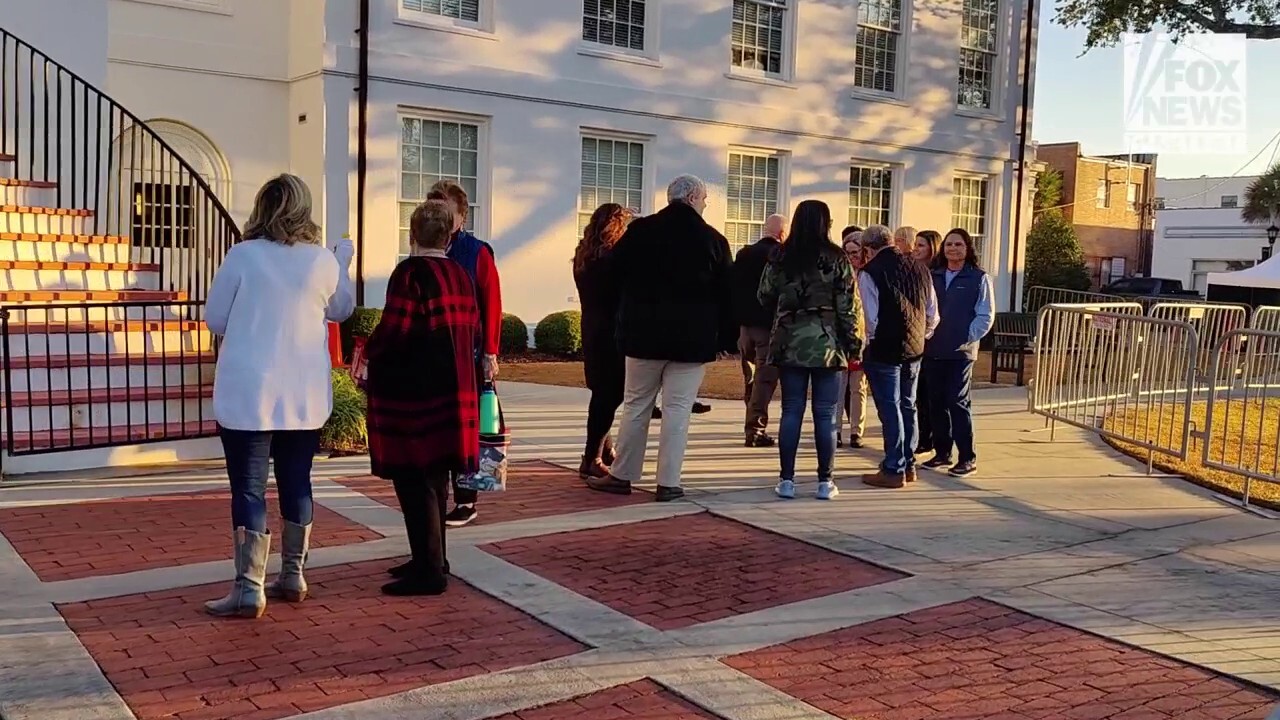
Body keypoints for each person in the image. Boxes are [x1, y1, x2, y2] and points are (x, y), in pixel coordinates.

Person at [203, 174, 355, 618]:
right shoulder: (320, 261)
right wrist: (342, 264)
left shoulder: (243, 255)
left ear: (262, 208)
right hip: (303, 392)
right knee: (297, 480)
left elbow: (215, 319)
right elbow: (341, 309)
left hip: (250, 389)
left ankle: (249, 587)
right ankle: (293, 573)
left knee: (249, 491)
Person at [585, 174, 736, 502]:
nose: (706, 204)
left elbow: (613, 277)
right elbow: (728, 294)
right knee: (678, 410)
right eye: (705, 198)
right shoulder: (714, 240)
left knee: (636, 405)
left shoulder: (640, 231)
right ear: (694, 197)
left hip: (643, 337)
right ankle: (668, 482)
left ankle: (622, 474)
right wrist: (725, 339)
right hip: (692, 342)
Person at [365, 199, 480, 596]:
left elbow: (394, 330)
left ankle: (430, 570)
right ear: (449, 236)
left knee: (415, 482)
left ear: (413, 234)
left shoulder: (410, 273)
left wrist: (367, 353)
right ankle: (431, 557)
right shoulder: (460, 275)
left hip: (414, 392)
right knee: (437, 481)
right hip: (454, 387)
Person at [758, 201, 861, 500]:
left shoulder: (779, 255)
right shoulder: (837, 257)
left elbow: (764, 295)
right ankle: (824, 481)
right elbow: (849, 306)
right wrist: (854, 344)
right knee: (825, 414)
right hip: (827, 342)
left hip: (790, 340)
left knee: (791, 410)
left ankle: (787, 480)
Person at [426, 180, 502, 529]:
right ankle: (440, 493)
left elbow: (492, 304)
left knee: (470, 429)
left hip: (469, 355)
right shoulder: (425, 250)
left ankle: (467, 498)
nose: (440, 218)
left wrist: (490, 352)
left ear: (462, 216)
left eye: (447, 212)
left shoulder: (477, 252)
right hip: (437, 355)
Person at [858, 224, 939, 490]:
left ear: (868, 249)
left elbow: (871, 318)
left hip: (885, 348)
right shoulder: (920, 268)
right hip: (914, 347)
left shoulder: (870, 272)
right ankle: (908, 462)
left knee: (890, 407)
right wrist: (922, 334)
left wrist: (867, 343)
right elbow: (932, 313)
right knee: (908, 404)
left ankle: (894, 467)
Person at [921, 228, 994, 478]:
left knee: (957, 402)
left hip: (961, 353)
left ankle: (967, 458)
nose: (953, 249)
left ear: (967, 248)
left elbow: (985, 315)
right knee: (936, 403)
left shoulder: (979, 278)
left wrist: (967, 337)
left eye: (958, 245)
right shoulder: (934, 275)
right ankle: (942, 453)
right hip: (933, 349)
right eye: (949, 245)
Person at [573, 203, 633, 479]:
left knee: (602, 393)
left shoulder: (583, 255)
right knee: (610, 395)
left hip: (592, 326)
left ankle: (603, 450)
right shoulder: (614, 257)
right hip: (612, 330)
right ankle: (592, 456)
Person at [733, 213, 787, 448]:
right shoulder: (781, 256)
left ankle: (751, 420)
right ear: (783, 234)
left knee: (750, 376)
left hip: (745, 327)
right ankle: (754, 428)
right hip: (768, 327)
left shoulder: (744, 254)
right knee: (764, 380)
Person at [911, 230, 944, 456]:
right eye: (915, 244)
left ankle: (931, 437)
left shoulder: (937, 274)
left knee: (932, 393)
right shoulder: (914, 271)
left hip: (934, 337)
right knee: (919, 392)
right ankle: (923, 436)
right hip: (917, 339)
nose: (916, 249)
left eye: (921, 245)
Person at [838, 227, 869, 449]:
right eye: (847, 252)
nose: (852, 257)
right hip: (841, 337)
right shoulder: (839, 275)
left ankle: (856, 431)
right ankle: (836, 430)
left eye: (855, 252)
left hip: (864, 337)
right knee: (838, 387)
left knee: (858, 387)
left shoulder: (869, 276)